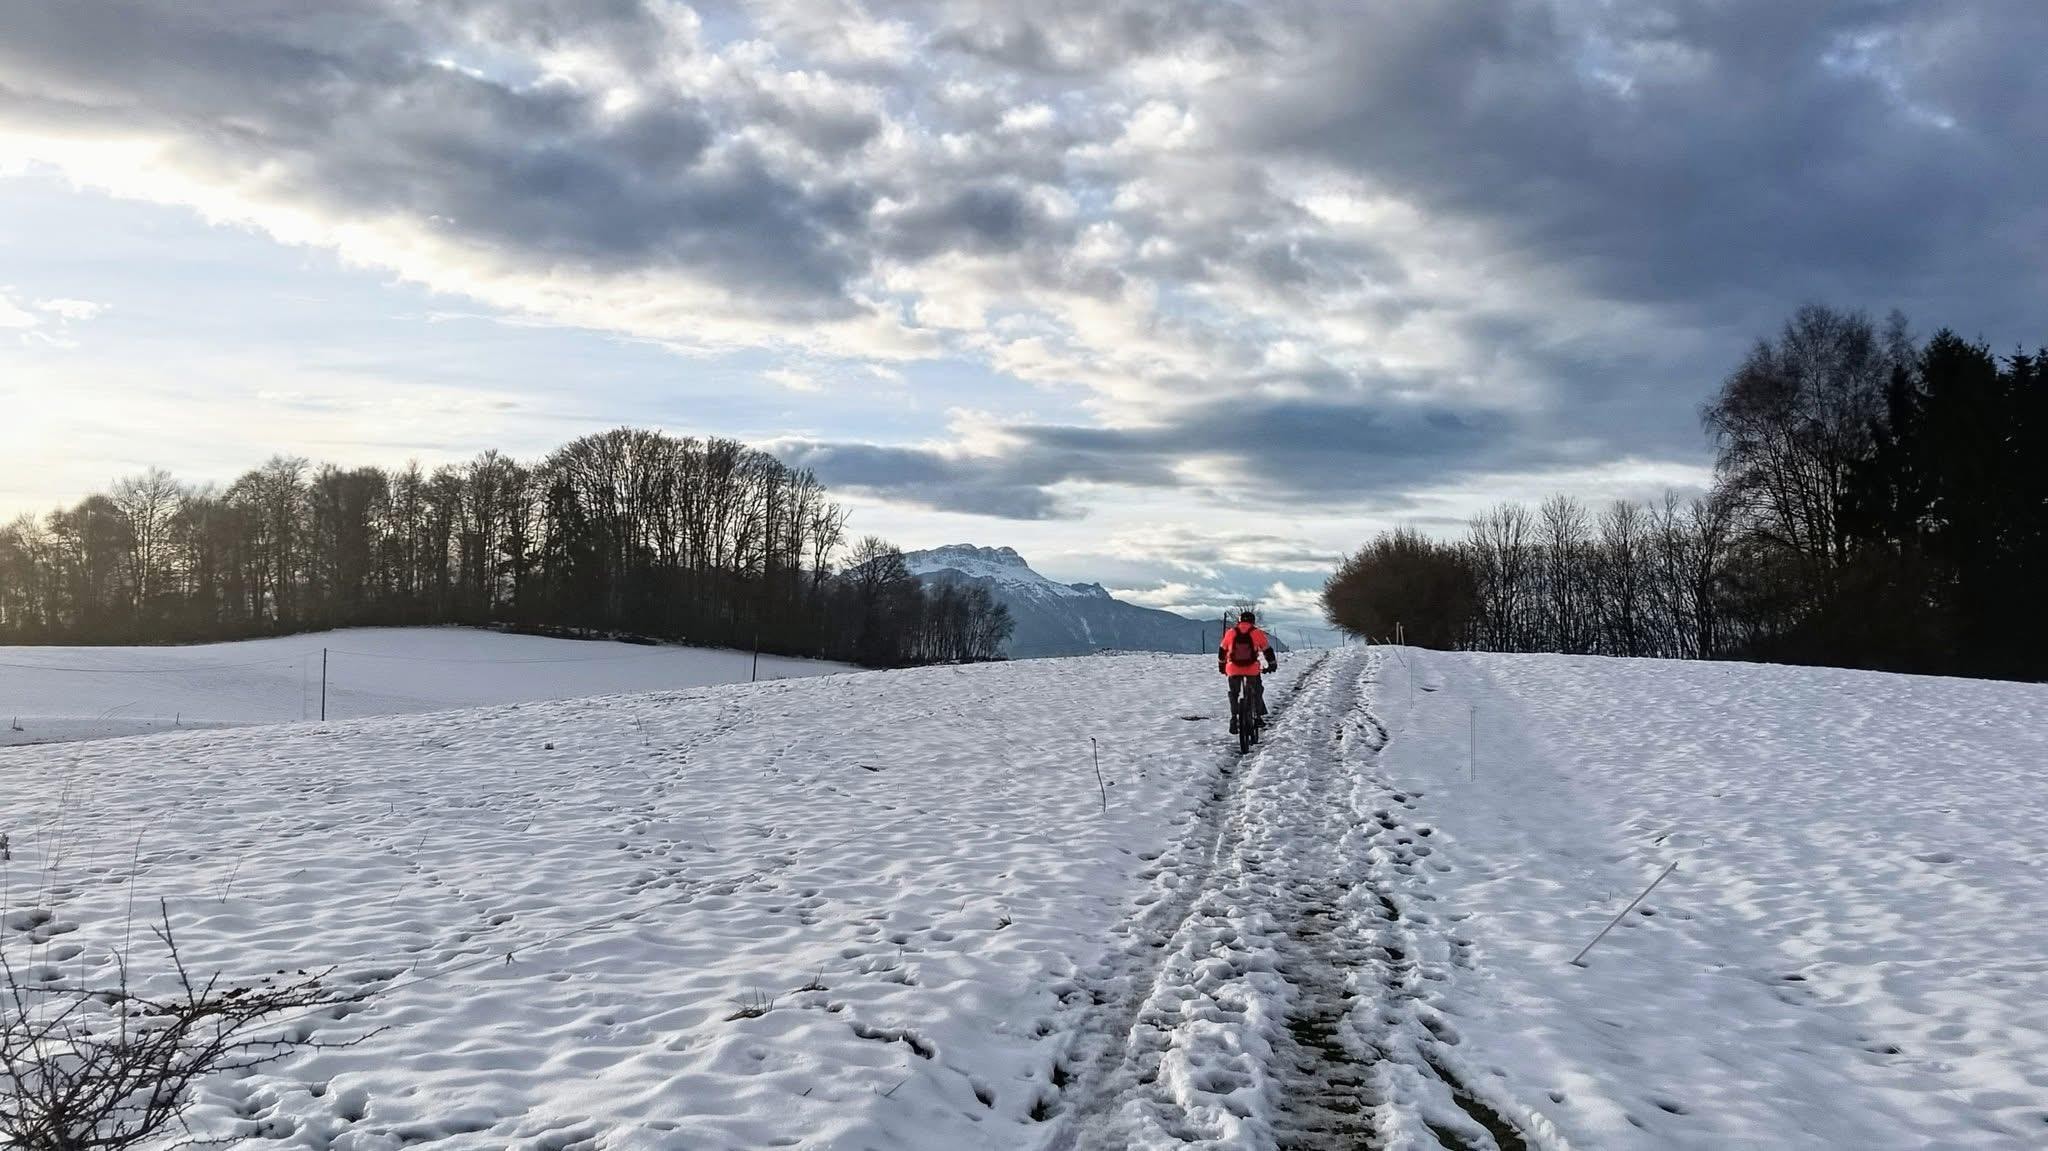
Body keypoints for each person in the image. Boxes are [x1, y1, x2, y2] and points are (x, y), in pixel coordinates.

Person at [1218, 610, 1278, 734]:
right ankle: (1257, 716)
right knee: (1257, 689)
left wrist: (1222, 666)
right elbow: (1267, 651)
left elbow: (1222, 651)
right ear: (1253, 621)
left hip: (1233, 668)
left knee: (1234, 693)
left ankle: (1234, 718)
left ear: (1239, 621)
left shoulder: (1230, 632)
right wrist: (1272, 665)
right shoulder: (1257, 632)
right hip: (1252, 669)